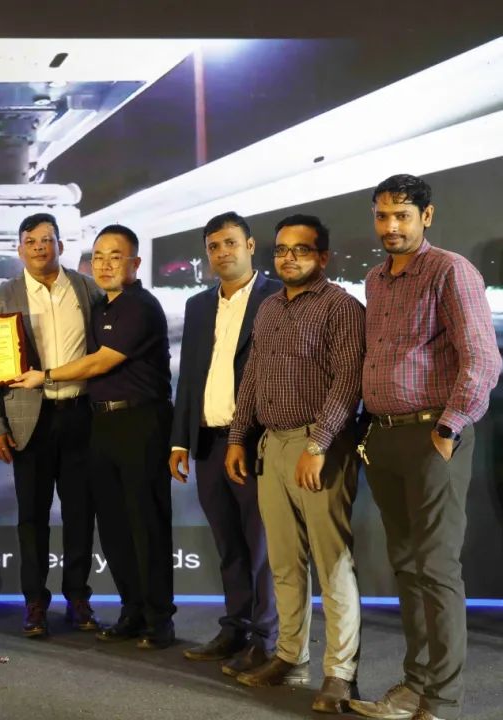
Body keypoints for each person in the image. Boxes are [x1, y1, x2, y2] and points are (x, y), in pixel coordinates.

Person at [350, 175, 501, 720]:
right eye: (383, 215)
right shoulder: (375, 279)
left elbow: (482, 359)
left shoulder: (450, 270)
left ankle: (442, 699)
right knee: (408, 567)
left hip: (433, 435)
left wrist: (449, 428)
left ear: (426, 217)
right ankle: (414, 686)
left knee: (436, 570)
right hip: (385, 435)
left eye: (403, 215)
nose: (391, 226)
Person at [224, 214, 364, 714]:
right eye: (282, 250)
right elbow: (252, 378)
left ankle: (340, 674)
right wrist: (238, 438)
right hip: (273, 445)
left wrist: (319, 444)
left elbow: (349, 381)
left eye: (301, 250)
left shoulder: (342, 307)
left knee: (333, 565)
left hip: (319, 447)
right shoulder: (268, 309)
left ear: (323, 257)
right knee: (284, 563)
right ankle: (290, 656)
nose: (289, 258)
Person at [13, 224, 176, 650]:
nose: (104, 264)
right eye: (98, 256)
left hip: (140, 423)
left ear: (135, 262)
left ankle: (159, 619)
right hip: (101, 424)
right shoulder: (103, 305)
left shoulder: (141, 305)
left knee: (146, 524)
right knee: (115, 526)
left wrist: (46, 376)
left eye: (115, 256)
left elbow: (101, 361)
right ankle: (132, 611)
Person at [0, 213, 104, 637]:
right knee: (31, 517)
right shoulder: (0, 299)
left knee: (80, 514)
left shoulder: (88, 290)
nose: (38, 247)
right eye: (30, 241)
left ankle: (78, 597)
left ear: (60, 246)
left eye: (46, 240)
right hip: (28, 420)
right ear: (20, 249)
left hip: (81, 415)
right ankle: (34, 602)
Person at [170, 212, 280, 675]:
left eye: (230, 243)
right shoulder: (198, 305)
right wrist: (179, 441)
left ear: (250, 246)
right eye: (214, 246)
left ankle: (266, 638)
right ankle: (235, 628)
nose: (222, 252)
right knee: (229, 544)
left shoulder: (277, 296)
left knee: (261, 546)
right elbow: (189, 379)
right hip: (209, 443)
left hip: (255, 443)